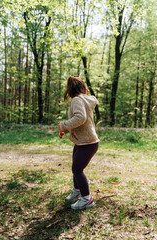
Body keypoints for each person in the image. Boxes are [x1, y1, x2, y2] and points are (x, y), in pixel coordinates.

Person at [58, 76, 99, 210]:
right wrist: (68, 128)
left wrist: (64, 125)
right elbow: (81, 120)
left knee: (77, 169)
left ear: (69, 90)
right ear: (84, 89)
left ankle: (87, 199)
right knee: (75, 167)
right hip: (84, 141)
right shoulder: (86, 99)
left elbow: (80, 117)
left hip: (87, 143)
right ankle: (77, 190)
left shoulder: (76, 100)